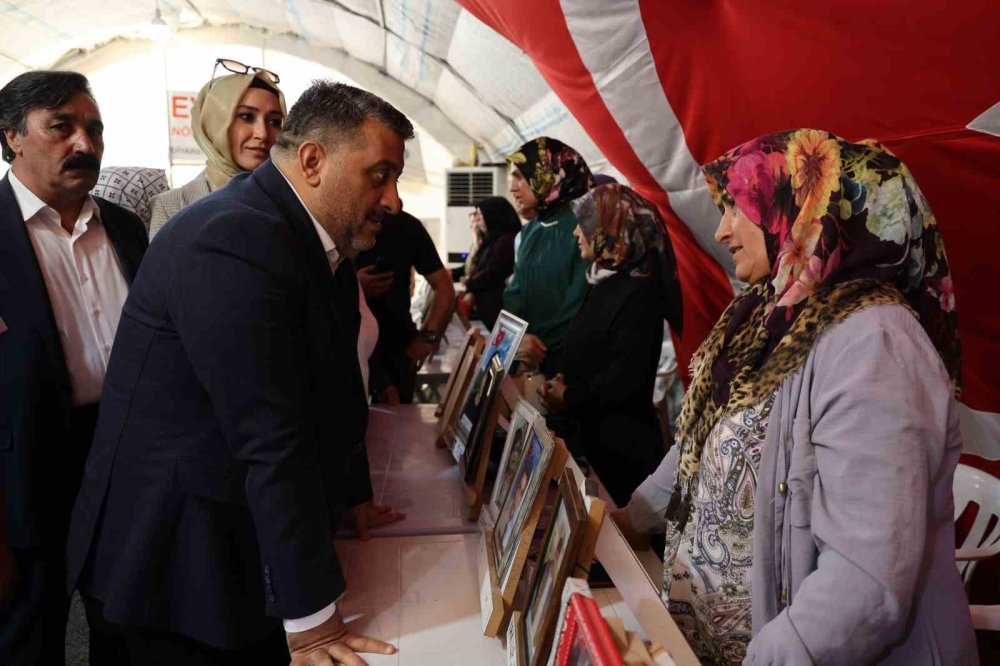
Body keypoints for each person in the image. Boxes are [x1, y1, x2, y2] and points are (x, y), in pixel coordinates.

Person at [65, 81, 413, 665]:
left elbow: (329, 389)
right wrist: (314, 623)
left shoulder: (309, 242)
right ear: (312, 161)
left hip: (230, 537)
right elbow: (271, 435)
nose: (394, 200)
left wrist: (350, 495)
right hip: (177, 561)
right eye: (379, 175)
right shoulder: (234, 238)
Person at [613, 129, 975, 665]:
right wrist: (627, 521)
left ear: (802, 206)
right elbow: (708, 445)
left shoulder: (875, 343)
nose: (721, 230)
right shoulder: (772, 316)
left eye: (738, 207)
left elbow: (864, 583)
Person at [0, 70, 148, 666]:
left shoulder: (127, 231)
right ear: (11, 135)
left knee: (129, 629)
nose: (84, 144)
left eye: (94, 129)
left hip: (124, 464)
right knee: (28, 636)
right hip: (25, 475)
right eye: (61, 127)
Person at [540, 184, 683, 506]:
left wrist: (570, 395)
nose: (577, 232)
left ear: (612, 230)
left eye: (586, 225)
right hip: (595, 440)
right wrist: (561, 380)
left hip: (621, 455)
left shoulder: (638, 293)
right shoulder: (606, 282)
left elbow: (626, 379)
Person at [148, 59, 286, 238]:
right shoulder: (171, 207)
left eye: (274, 121)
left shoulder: (294, 203)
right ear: (214, 123)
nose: (263, 134)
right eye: (246, 116)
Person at [504, 137, 593, 376]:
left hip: (568, 363)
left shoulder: (585, 227)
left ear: (551, 175)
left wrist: (538, 345)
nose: (513, 187)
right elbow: (515, 293)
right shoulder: (530, 231)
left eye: (520, 176)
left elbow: (579, 302)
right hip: (527, 359)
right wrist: (518, 340)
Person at [355, 209, 456, 403]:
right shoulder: (342, 223)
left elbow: (445, 288)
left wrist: (428, 338)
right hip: (352, 347)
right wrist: (355, 287)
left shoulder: (406, 226)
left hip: (396, 349)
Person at [457, 196, 521, 329]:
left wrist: (469, 283)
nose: (479, 223)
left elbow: (492, 272)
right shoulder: (493, 240)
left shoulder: (506, 242)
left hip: (499, 308)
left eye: (482, 217)